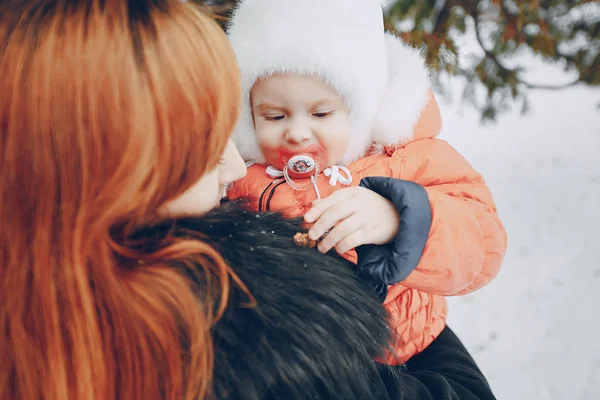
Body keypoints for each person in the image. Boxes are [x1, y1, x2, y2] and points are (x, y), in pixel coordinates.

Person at [0, 0, 497, 399]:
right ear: (111, 175)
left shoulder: (37, 304)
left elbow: (475, 226)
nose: (237, 164)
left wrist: (401, 227)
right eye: (204, 142)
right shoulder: (256, 351)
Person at [226, 0, 508, 365]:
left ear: (362, 109)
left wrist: (400, 220)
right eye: (274, 115)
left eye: (321, 113)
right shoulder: (236, 174)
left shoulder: (403, 157)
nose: (295, 132)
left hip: (405, 352)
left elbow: (482, 244)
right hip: (292, 361)